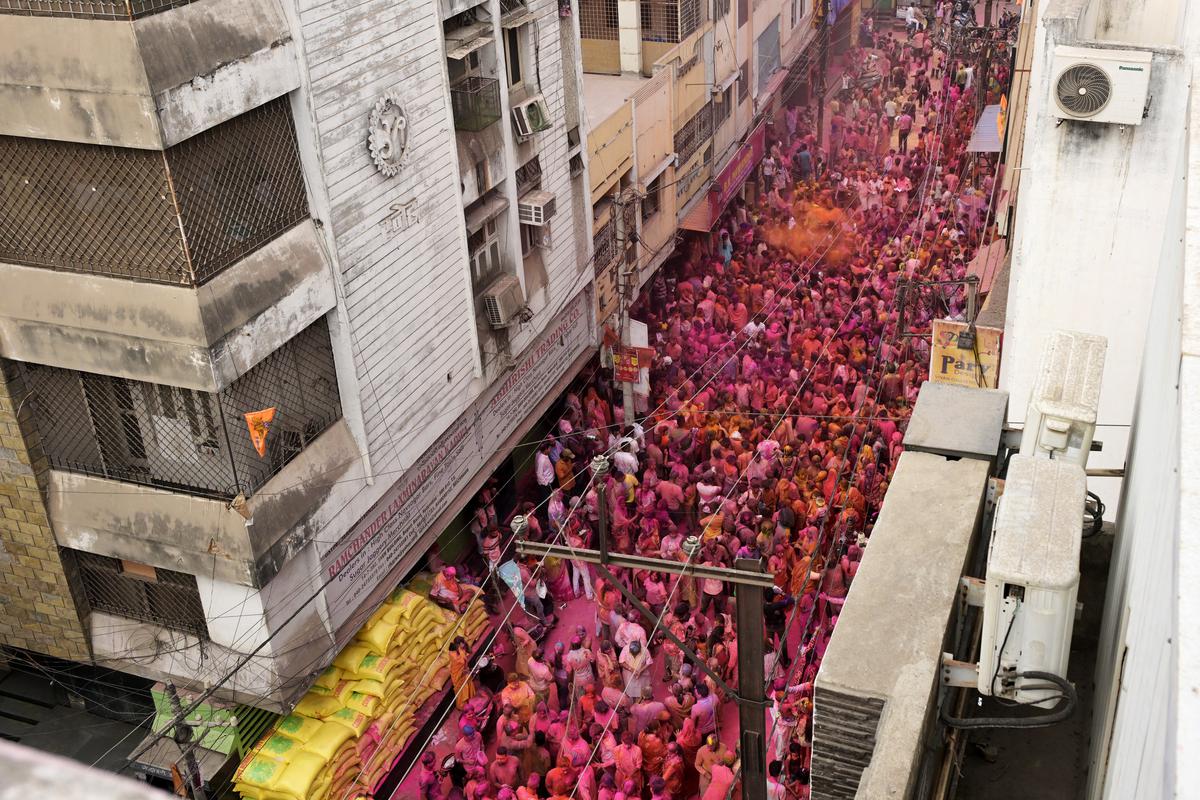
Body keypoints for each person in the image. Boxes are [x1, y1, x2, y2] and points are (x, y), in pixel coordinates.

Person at [447, 636, 476, 710]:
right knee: (461, 687)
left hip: (464, 671)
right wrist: (464, 670)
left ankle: (469, 698)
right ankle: (462, 705)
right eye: (462, 643)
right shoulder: (453, 653)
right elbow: (458, 662)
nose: (464, 645)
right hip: (458, 674)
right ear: (459, 644)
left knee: (467, 682)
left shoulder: (460, 649)